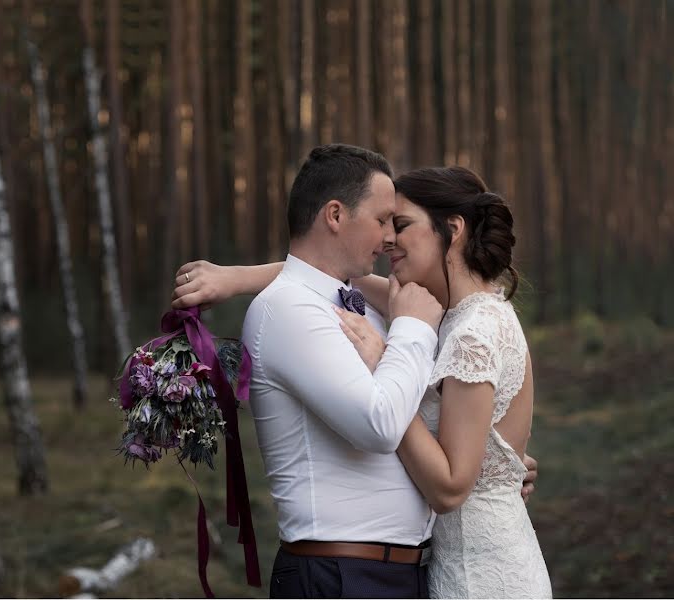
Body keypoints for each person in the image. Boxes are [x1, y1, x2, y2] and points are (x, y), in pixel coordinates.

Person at [171, 152, 547, 597]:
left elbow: (448, 471)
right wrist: (237, 278)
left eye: (400, 224)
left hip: (453, 570)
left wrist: (494, 467)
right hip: (351, 571)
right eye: (384, 220)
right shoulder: (417, 313)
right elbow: (313, 279)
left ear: (453, 230)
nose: (388, 238)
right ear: (335, 215)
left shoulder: (457, 322)